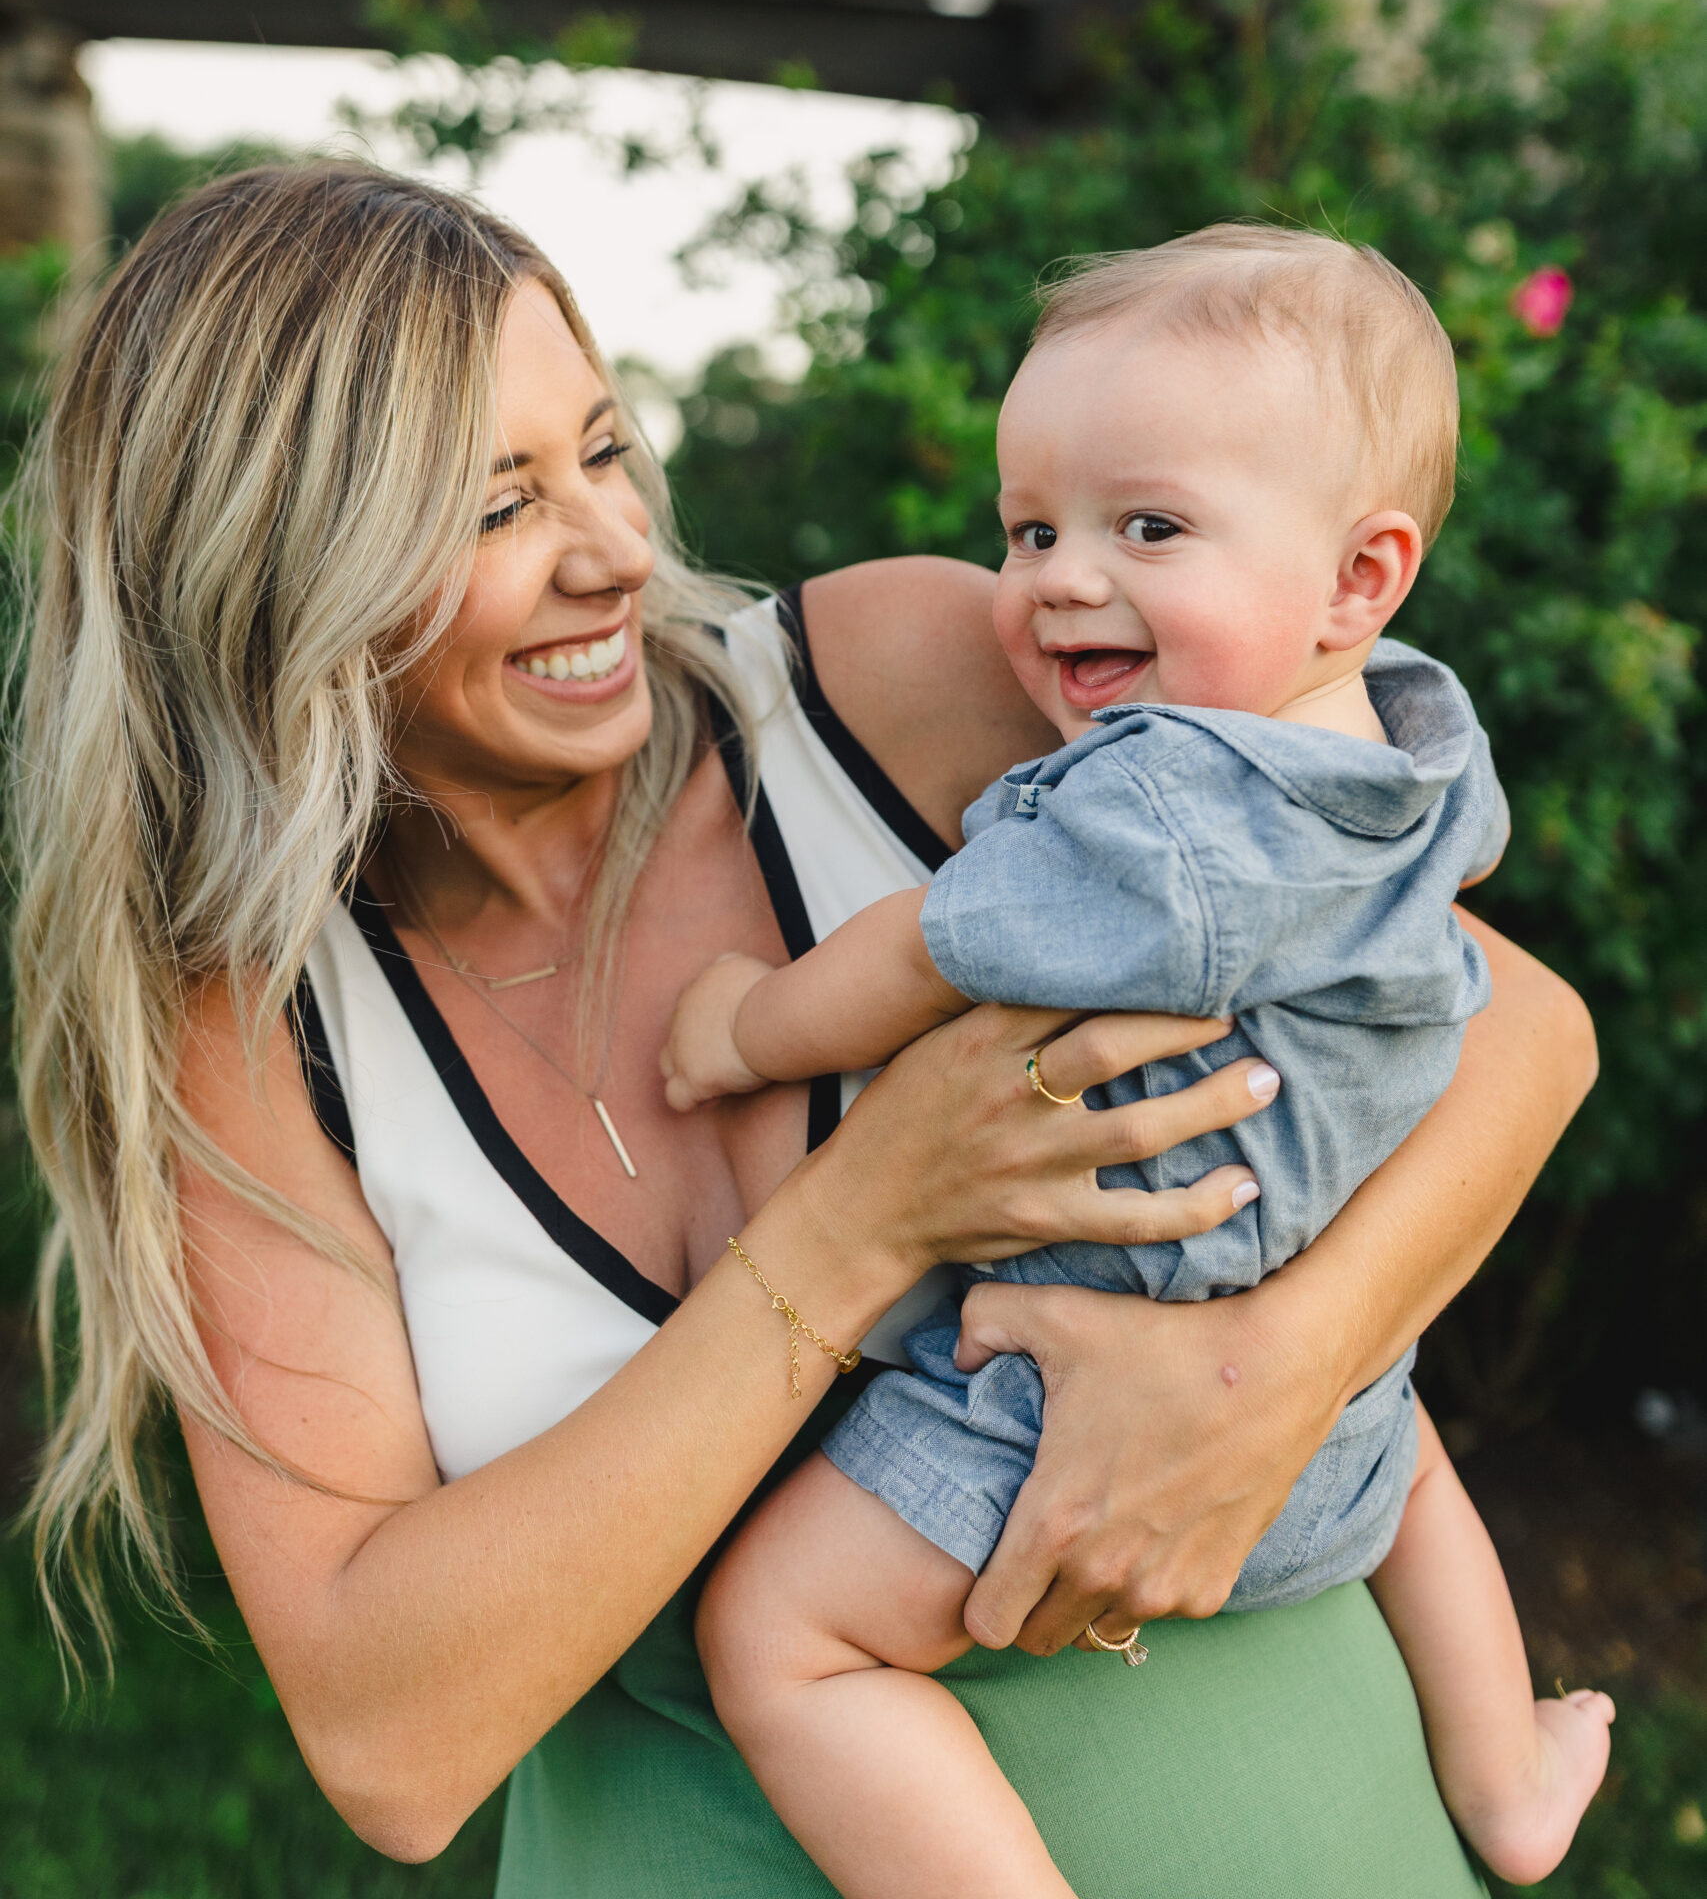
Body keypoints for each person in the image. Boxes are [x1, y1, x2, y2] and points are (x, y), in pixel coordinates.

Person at [16, 166, 1597, 1899]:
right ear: (270, 579)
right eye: (492, 510)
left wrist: (1280, 1362)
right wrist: (864, 1220)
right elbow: (393, 1749)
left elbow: (1515, 1020)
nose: (619, 552)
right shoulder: (256, 1031)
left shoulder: (892, 679)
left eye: (606, 455)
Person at [666, 227, 1613, 1896]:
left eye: (1146, 527)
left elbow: (923, 949)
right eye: (1031, 527)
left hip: (1070, 1396)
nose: (1054, 580)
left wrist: (745, 1020)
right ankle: (1511, 1768)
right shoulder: (1414, 756)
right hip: (1329, 1426)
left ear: (1356, 579)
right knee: (1407, 1429)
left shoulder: (1150, 808)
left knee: (781, 1640)